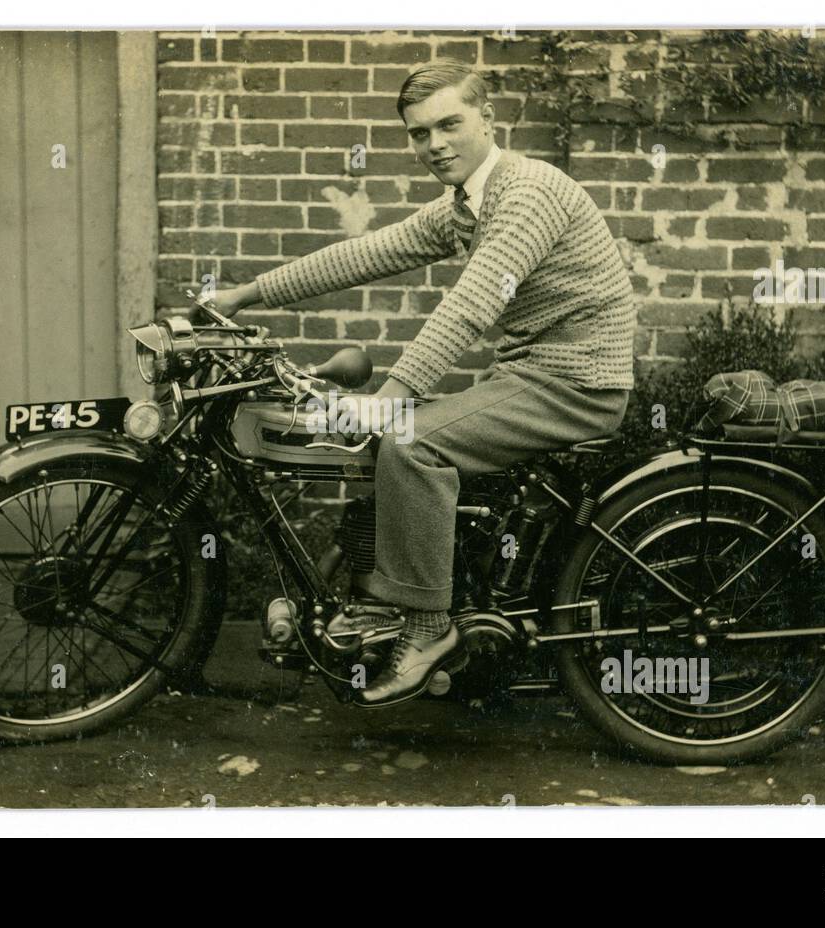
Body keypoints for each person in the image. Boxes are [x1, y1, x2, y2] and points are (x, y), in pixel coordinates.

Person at [205, 60, 637, 707]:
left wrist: (391, 399)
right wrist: (247, 294)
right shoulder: (469, 204)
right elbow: (367, 253)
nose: (433, 144)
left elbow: (469, 307)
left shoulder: (525, 195)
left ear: (488, 120)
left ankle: (427, 628)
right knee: (386, 442)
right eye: (418, 133)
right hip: (533, 375)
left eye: (449, 125)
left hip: (575, 381)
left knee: (412, 441)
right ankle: (389, 601)